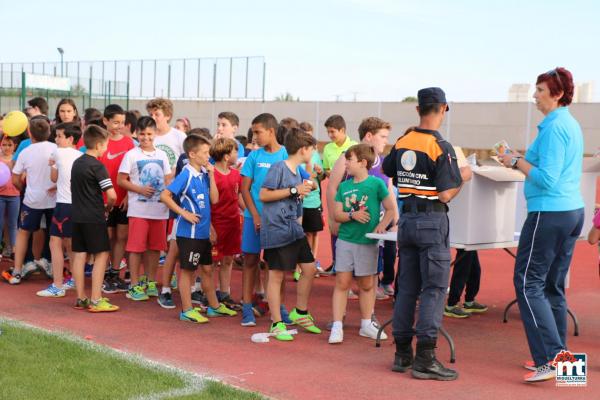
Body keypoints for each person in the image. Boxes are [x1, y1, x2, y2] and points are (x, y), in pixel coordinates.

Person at [498, 67, 584, 383]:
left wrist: (514, 161)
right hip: (570, 211)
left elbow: (547, 179)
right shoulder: (568, 124)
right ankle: (565, 365)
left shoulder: (553, 128)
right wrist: (519, 158)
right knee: (551, 286)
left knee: (527, 283)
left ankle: (552, 359)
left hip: (550, 213)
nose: (534, 95)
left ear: (557, 94)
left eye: (540, 90)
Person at [383, 87, 471, 381]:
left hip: (406, 220)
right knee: (434, 289)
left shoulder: (403, 140)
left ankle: (402, 353)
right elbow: (446, 194)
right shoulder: (441, 146)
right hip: (432, 221)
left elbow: (389, 169)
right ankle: (425, 358)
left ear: (418, 109)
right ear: (443, 108)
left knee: (407, 287)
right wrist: (463, 177)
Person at [160, 135, 237, 323]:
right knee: (188, 271)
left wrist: (211, 175)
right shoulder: (186, 173)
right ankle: (187, 309)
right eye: (204, 153)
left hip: (203, 232)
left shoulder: (203, 173)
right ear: (192, 154)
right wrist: (183, 213)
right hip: (190, 233)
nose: (208, 156)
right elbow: (165, 195)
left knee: (208, 270)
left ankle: (214, 307)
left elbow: (214, 199)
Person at [259, 129, 321, 341]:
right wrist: (294, 191)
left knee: (310, 269)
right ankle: (276, 323)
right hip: (277, 229)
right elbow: (264, 195)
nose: (313, 153)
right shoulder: (279, 168)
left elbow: (305, 188)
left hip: (294, 229)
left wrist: (305, 187)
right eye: (312, 150)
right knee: (276, 275)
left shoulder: (297, 171)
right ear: (303, 149)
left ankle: (300, 312)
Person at [329, 144, 395, 344]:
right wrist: (352, 215)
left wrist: (382, 226)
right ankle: (337, 325)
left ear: (362, 163)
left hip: (368, 242)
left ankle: (366, 324)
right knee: (342, 283)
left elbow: (391, 209)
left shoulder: (376, 184)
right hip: (346, 241)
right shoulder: (344, 186)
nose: (346, 163)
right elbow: (337, 214)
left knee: (367, 284)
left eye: (349, 160)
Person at [117, 116, 171, 301]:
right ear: (136, 134)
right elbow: (121, 180)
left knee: (155, 248)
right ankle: (133, 285)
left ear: (155, 133)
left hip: (159, 210)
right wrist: (140, 189)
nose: (146, 138)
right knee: (136, 248)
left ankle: (150, 281)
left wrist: (168, 194)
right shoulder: (131, 155)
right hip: (138, 210)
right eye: (142, 134)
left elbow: (168, 179)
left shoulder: (162, 155)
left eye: (149, 134)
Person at [70, 125, 118, 312]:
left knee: (80, 256)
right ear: (98, 145)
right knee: (101, 255)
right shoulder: (98, 166)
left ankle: (81, 298)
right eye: (106, 145)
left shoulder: (77, 162)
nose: (106, 149)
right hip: (94, 216)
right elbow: (112, 195)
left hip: (78, 216)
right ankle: (96, 299)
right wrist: (108, 207)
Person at [2, 119, 56, 284]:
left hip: (32, 199)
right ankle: (52, 267)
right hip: (54, 200)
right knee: (55, 235)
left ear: (30, 133)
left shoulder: (26, 151)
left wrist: (21, 189)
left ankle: (18, 271)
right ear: (49, 133)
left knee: (23, 232)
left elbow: (16, 177)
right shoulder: (56, 149)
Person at [36, 122, 82, 297]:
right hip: (77, 204)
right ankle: (74, 279)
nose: (56, 139)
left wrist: (52, 165)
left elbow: (54, 178)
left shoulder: (57, 152)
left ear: (70, 139)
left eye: (59, 136)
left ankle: (57, 285)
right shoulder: (81, 155)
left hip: (63, 204)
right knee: (71, 243)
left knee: (54, 243)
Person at [98, 104, 135, 294]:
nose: (119, 126)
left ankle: (114, 273)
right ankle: (102, 274)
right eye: (115, 122)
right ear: (105, 121)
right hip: (103, 200)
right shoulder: (99, 141)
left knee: (121, 237)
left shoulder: (129, 143)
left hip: (122, 199)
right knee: (107, 237)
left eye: (122, 122)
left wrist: (129, 194)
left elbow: (133, 172)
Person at [209, 138, 244, 310]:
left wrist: (253, 214)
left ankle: (224, 293)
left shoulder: (236, 174)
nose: (238, 154)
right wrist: (209, 227)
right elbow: (207, 204)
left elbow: (239, 199)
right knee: (213, 262)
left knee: (228, 259)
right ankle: (209, 293)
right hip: (216, 224)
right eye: (235, 151)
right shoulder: (210, 175)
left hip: (233, 223)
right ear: (226, 156)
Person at [321, 114, 356, 274]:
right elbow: (327, 170)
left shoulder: (355, 147)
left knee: (350, 227)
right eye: (328, 132)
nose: (330, 135)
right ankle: (336, 263)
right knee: (334, 227)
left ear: (342, 130)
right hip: (335, 193)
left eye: (333, 132)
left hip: (352, 193)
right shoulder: (328, 148)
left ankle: (352, 266)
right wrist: (328, 173)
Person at [444, 250, 488, 318]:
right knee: (462, 269)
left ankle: (469, 302)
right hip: (463, 243)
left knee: (475, 269)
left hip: (470, 243)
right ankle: (451, 305)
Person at [0, 136, 20, 260]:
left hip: (14, 196)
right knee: (0, 224)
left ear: (15, 146)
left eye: (9, 145)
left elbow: (21, 177)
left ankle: (14, 250)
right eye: (4, 144)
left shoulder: (16, 160)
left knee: (13, 224)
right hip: (0, 196)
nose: (7, 147)